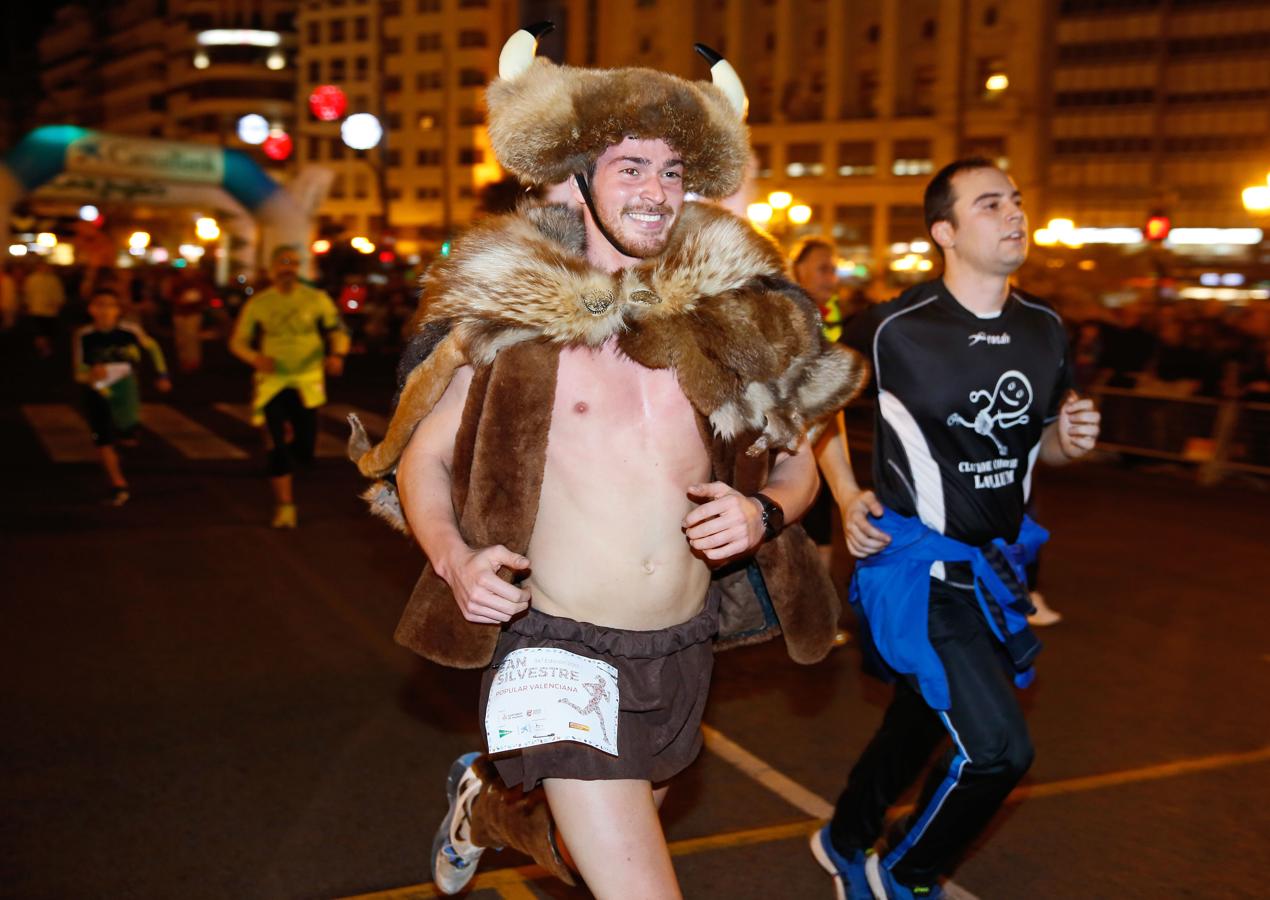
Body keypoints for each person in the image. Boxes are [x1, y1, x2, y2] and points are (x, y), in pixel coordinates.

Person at [349, 25, 864, 898]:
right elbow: (420, 465)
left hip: (681, 642)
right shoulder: (510, 324)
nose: (658, 191)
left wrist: (764, 513)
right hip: (554, 646)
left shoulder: (731, 326)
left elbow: (800, 465)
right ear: (573, 180)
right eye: (632, 167)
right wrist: (455, 558)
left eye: (673, 171)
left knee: (616, 830)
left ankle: (486, 809)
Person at [810, 157, 1101, 899]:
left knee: (919, 716)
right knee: (1000, 750)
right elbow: (815, 407)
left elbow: (1045, 450)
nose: (1014, 214)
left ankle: (845, 837)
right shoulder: (895, 326)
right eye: (990, 203)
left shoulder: (1045, 329)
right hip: (921, 566)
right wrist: (845, 498)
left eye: (1017, 199)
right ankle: (901, 877)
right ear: (944, 230)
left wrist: (1072, 436)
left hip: (1001, 566)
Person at [230, 245, 348, 528]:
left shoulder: (316, 299)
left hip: (307, 379)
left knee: (305, 449)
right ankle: (284, 505)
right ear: (271, 268)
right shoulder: (259, 303)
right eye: (282, 263)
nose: (287, 268)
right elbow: (237, 341)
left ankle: (293, 446)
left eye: (293, 263)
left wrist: (337, 354)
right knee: (275, 443)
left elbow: (338, 330)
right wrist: (255, 358)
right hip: (273, 380)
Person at [73, 288, 171, 505]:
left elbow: (153, 348)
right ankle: (118, 484)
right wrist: (90, 375)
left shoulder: (130, 331)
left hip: (125, 389)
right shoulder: (84, 335)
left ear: (118, 310)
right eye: (99, 305)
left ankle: (127, 442)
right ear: (91, 309)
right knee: (103, 439)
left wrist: (162, 375)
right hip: (97, 391)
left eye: (110, 305)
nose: (105, 310)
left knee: (128, 434)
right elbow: (78, 371)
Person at [23, 259, 67, 358]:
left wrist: (58, 304)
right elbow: (28, 293)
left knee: (48, 330)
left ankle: (45, 345)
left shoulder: (53, 279)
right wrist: (28, 304)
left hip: (50, 310)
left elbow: (58, 293)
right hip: (36, 309)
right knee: (39, 330)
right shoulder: (32, 279)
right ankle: (42, 346)